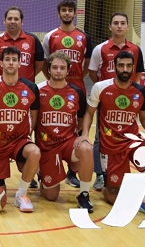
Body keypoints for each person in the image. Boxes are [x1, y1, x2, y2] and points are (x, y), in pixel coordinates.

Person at [76, 51, 145, 218]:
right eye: (121, 65)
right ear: (114, 67)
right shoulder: (100, 87)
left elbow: (144, 119)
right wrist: (85, 134)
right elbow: (88, 113)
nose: (125, 69)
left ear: (133, 68)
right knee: (113, 197)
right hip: (110, 147)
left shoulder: (141, 91)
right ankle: (108, 185)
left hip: (132, 143)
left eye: (129, 66)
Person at [88, 12, 145, 191]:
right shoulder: (101, 49)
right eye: (115, 23)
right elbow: (92, 72)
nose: (119, 26)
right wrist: (103, 91)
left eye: (122, 23)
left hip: (128, 101)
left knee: (127, 135)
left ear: (128, 27)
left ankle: (121, 172)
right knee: (99, 138)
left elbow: (139, 75)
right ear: (110, 26)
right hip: (106, 101)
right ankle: (99, 175)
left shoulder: (136, 50)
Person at [0, 46, 41, 213]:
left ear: (20, 63)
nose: (11, 63)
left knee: (34, 152)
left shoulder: (31, 88)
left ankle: (22, 194)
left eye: (14, 60)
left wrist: (27, 137)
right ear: (1, 63)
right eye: (7, 60)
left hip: (19, 140)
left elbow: (34, 117)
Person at [42, 0, 92, 188]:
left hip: (76, 85)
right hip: (54, 87)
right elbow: (47, 61)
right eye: (64, 10)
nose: (67, 13)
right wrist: (53, 79)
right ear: (59, 13)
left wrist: (77, 76)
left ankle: (73, 172)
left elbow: (87, 63)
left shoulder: (84, 36)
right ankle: (44, 167)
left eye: (70, 10)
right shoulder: (50, 36)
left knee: (77, 128)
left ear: (74, 13)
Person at [36, 52, 93, 212]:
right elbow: (32, 120)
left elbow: (83, 116)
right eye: (55, 67)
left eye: (62, 68)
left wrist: (82, 135)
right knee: (51, 196)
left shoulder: (77, 93)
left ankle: (84, 194)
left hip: (68, 143)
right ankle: (43, 173)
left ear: (68, 71)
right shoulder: (38, 91)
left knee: (86, 148)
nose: (58, 71)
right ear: (49, 69)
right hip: (47, 147)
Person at [0, 6, 44, 82]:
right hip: (2, 87)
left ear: (22, 21)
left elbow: (39, 65)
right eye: (9, 18)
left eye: (16, 19)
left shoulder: (33, 40)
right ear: (4, 21)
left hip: (26, 89)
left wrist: (28, 78)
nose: (12, 21)